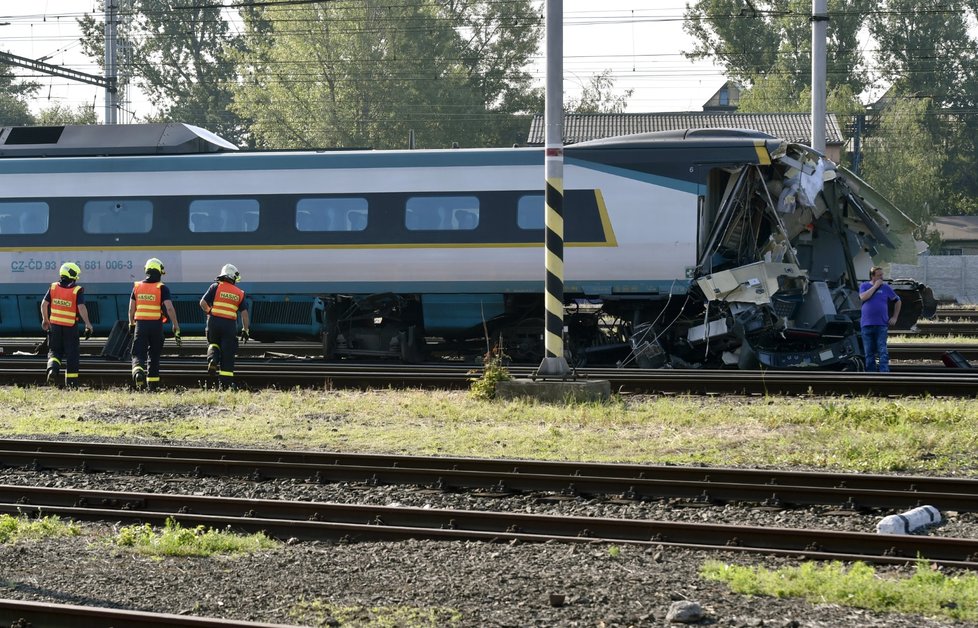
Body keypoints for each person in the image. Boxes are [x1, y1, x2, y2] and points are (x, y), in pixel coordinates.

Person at [128, 258, 181, 390]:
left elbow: (131, 308)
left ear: (147, 271)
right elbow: (169, 308)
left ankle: (138, 371)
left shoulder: (137, 286)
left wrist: (131, 323)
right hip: (156, 326)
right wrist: (175, 325)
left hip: (141, 325)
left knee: (138, 353)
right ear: (159, 272)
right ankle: (152, 385)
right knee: (154, 355)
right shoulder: (162, 288)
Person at [40, 262, 94, 388]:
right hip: (70, 327)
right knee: (72, 354)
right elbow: (81, 307)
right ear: (72, 274)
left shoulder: (53, 287)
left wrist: (45, 320)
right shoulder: (76, 290)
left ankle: (53, 370)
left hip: (55, 326)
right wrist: (88, 324)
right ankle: (71, 384)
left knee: (54, 351)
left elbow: (44, 304)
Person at [199, 263, 250, 389]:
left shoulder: (215, 287)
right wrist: (246, 330)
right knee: (228, 353)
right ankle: (225, 384)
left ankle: (213, 360)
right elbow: (244, 314)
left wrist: (211, 312)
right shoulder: (240, 293)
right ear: (233, 277)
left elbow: (202, 303)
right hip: (229, 325)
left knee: (213, 344)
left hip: (214, 322)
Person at [859, 266, 902, 372]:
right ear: (872, 276)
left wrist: (895, 317)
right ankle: (871, 374)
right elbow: (863, 297)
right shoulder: (864, 286)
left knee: (882, 350)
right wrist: (875, 287)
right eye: (879, 275)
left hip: (881, 324)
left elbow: (898, 301)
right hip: (866, 324)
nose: (882, 277)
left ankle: (884, 373)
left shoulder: (886, 288)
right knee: (869, 352)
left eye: (882, 275)